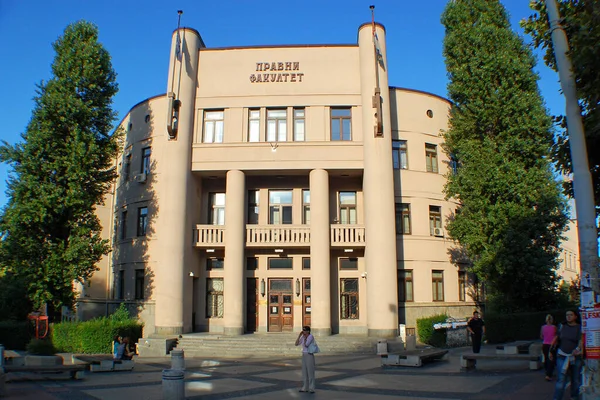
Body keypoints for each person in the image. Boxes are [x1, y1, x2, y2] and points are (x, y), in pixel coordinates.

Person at [550, 310, 582, 400]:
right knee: (561, 378)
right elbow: (556, 338)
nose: (568, 316)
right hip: (562, 355)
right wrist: (550, 350)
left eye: (571, 315)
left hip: (575, 356)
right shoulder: (562, 326)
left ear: (575, 316)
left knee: (575, 379)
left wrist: (578, 349)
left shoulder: (579, 327)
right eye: (567, 315)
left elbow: (581, 340)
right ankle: (557, 398)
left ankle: (574, 397)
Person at [295, 325, 316, 393]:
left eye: (305, 331)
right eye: (303, 330)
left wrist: (305, 337)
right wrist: (299, 336)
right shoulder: (303, 337)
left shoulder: (310, 336)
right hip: (304, 354)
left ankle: (311, 387)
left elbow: (306, 344)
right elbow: (296, 344)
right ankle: (305, 387)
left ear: (308, 331)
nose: (303, 332)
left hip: (309, 354)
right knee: (304, 371)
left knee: (310, 371)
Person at [540, 314, 557, 381]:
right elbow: (556, 336)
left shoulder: (543, 327)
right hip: (552, 345)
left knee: (546, 358)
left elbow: (541, 336)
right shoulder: (554, 327)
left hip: (545, 344)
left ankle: (547, 372)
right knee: (552, 359)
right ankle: (549, 374)